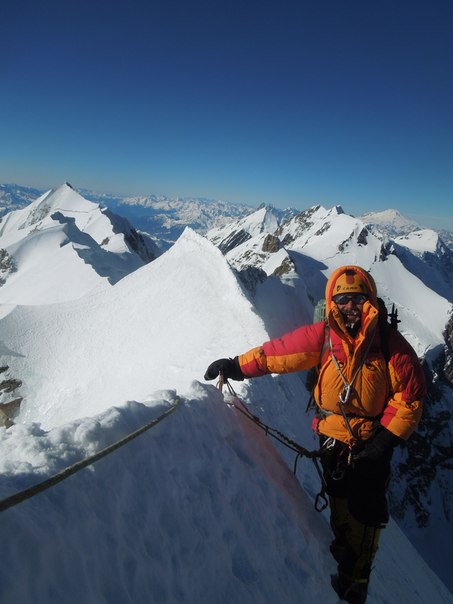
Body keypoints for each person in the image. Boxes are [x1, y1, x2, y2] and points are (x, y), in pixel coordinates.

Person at [204, 265, 426, 604]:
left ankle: (356, 578)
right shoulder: (323, 336)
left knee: (366, 507)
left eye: (357, 299)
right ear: (333, 302)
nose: (350, 305)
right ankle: (344, 546)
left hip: (371, 438)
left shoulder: (389, 344)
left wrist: (383, 442)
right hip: (331, 435)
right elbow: (276, 354)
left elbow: (410, 397)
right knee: (338, 494)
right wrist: (235, 365)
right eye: (343, 299)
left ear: (370, 301)